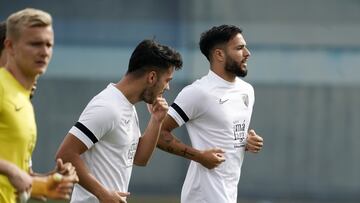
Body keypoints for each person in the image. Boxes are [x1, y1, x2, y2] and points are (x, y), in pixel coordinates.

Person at [56, 39, 183, 203]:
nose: (167, 88)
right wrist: (102, 193)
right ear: (152, 77)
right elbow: (65, 154)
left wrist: (156, 120)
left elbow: (139, 158)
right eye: (167, 80)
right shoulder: (107, 107)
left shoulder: (128, 106)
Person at [157, 24, 264, 203]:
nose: (247, 53)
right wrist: (199, 156)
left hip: (228, 195)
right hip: (201, 197)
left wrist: (245, 140)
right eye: (239, 48)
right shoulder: (198, 92)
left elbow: (221, 133)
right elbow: (159, 134)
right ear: (219, 55)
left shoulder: (247, 91)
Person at [0, 8, 78, 203]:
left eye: (49, 44)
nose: (44, 52)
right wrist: (10, 170)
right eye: (35, 44)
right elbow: (12, 172)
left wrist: (47, 184)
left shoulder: (24, 100)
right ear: (10, 46)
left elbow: (19, 177)